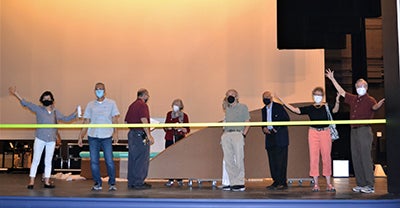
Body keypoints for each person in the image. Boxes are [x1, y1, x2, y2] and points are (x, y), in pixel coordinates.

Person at [325, 68, 385, 194]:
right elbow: (341, 92)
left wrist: (378, 105)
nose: (360, 88)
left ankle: (369, 184)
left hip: (364, 130)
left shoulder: (370, 99)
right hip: (354, 130)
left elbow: (374, 107)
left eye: (362, 86)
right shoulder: (353, 99)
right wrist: (332, 78)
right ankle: (361, 183)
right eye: (358, 86)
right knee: (356, 157)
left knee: (365, 157)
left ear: (366, 87)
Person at [9, 86, 77, 189]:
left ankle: (47, 181)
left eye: (48, 98)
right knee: (36, 159)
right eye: (44, 98)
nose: (46, 100)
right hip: (40, 138)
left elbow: (66, 118)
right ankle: (31, 182)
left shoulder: (55, 112)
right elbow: (26, 103)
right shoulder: (38, 109)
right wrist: (16, 94)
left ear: (52, 100)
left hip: (51, 140)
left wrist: (76, 113)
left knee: (48, 161)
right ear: (42, 100)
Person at [276, 87, 339, 192]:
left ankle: (329, 184)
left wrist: (337, 100)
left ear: (322, 96)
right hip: (313, 133)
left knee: (326, 157)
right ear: (313, 96)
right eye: (315, 94)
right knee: (313, 158)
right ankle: (316, 184)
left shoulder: (326, 106)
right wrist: (283, 102)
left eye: (319, 94)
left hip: (325, 132)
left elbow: (335, 110)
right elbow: (296, 110)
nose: (317, 96)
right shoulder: (310, 108)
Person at [78, 82, 120, 191]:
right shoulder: (90, 105)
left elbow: (115, 119)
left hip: (106, 136)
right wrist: (80, 136)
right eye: (97, 89)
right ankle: (97, 183)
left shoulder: (112, 103)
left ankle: (112, 183)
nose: (99, 91)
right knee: (94, 162)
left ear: (105, 91)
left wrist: (116, 133)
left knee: (109, 161)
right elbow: (86, 121)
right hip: (93, 136)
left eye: (101, 89)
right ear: (94, 91)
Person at [221, 89, 250, 192]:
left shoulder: (243, 107)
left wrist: (243, 135)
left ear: (237, 96)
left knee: (239, 158)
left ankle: (240, 182)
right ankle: (233, 182)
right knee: (228, 160)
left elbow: (247, 121)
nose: (230, 97)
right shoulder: (227, 109)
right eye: (228, 95)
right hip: (227, 134)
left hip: (238, 133)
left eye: (232, 95)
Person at [125, 88, 155, 189]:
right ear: (144, 95)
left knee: (133, 158)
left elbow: (126, 121)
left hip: (132, 134)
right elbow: (144, 120)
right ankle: (139, 182)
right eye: (147, 95)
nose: (148, 97)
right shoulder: (142, 105)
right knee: (142, 158)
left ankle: (132, 181)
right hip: (139, 134)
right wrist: (149, 135)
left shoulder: (132, 105)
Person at [261, 91, 290, 190]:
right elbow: (263, 122)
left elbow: (286, 119)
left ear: (271, 98)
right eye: (264, 97)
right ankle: (275, 181)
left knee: (281, 160)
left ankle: (282, 182)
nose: (266, 99)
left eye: (267, 97)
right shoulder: (263, 110)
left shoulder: (279, 107)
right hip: (269, 138)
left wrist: (276, 128)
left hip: (280, 136)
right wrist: (264, 128)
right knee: (272, 160)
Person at [163, 99, 190, 187]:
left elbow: (188, 129)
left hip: (180, 138)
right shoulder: (169, 114)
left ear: (181, 106)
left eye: (177, 104)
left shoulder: (184, 116)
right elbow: (165, 126)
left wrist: (182, 128)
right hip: (170, 138)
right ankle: (170, 179)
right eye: (174, 104)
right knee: (170, 158)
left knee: (179, 159)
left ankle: (179, 179)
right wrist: (169, 127)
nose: (175, 106)